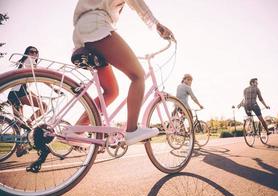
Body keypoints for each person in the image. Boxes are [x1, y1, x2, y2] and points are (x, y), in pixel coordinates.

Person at [72, 0, 175, 145]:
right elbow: (137, 3)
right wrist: (157, 25)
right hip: (96, 26)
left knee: (111, 91)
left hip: (82, 31)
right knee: (138, 76)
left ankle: (76, 131)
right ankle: (132, 130)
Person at [7, 46, 48, 157]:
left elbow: (26, 86)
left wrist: (36, 95)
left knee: (18, 123)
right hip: (19, 93)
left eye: (36, 52)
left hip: (15, 94)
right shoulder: (29, 60)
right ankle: (30, 123)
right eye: (31, 52)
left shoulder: (25, 63)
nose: (34, 54)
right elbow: (42, 75)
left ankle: (19, 149)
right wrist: (53, 87)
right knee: (44, 106)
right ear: (27, 53)